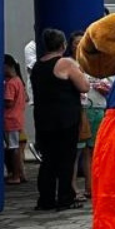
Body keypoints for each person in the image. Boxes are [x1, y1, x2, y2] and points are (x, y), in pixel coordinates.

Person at [31, 28, 90, 210]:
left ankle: (46, 199)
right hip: (65, 119)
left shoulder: (37, 67)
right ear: (63, 45)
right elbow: (84, 86)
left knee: (48, 159)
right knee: (66, 158)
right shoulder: (65, 63)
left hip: (43, 118)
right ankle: (65, 197)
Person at [3, 54, 27, 185]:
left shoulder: (10, 84)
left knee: (13, 148)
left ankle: (16, 175)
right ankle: (21, 173)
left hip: (9, 119)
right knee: (17, 147)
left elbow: (9, 102)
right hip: (18, 118)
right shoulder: (19, 81)